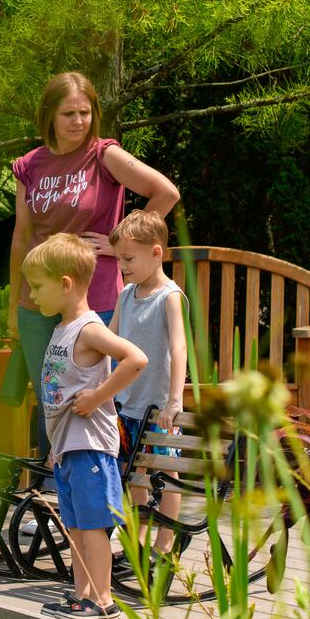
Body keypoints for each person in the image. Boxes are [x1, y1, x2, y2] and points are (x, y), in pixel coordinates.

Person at [7, 71, 179, 475]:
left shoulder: (104, 155)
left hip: (95, 301)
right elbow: (21, 237)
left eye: (85, 112)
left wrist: (120, 243)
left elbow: (166, 193)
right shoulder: (30, 166)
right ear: (49, 115)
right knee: (52, 396)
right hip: (39, 301)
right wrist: (16, 303)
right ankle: (56, 491)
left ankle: (102, 485)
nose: (78, 122)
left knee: (95, 395)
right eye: (68, 113)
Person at [24, 233, 146, 619]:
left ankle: (103, 600)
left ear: (65, 284)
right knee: (75, 524)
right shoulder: (62, 329)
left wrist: (97, 396)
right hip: (68, 447)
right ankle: (82, 596)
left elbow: (136, 359)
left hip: (90, 445)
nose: (31, 295)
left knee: (93, 524)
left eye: (37, 286)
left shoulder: (89, 329)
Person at [109, 209, 188, 566]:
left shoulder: (168, 296)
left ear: (156, 253)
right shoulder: (126, 295)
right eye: (119, 259)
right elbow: (109, 339)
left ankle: (166, 541)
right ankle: (137, 540)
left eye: (128, 258)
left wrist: (175, 400)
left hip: (158, 406)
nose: (122, 266)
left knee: (166, 473)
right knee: (134, 474)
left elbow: (178, 347)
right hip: (128, 403)